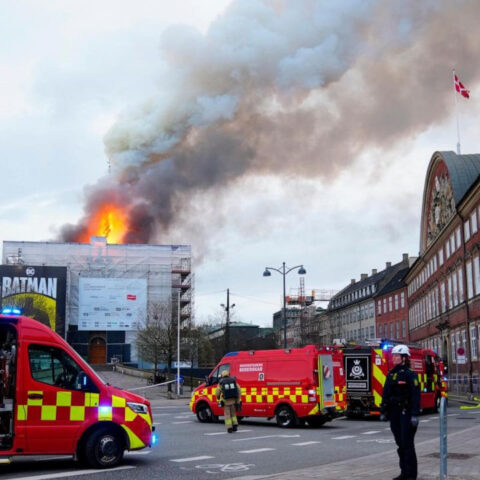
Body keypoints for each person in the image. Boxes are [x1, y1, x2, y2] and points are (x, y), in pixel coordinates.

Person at [380, 344, 420, 480]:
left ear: (404, 358)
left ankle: (411, 475)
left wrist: (414, 414)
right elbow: (385, 393)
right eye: (394, 355)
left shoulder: (410, 374)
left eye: (397, 355)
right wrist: (383, 410)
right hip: (395, 413)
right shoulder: (391, 374)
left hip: (406, 413)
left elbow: (415, 395)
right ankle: (404, 473)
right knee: (400, 444)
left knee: (407, 444)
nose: (394, 358)